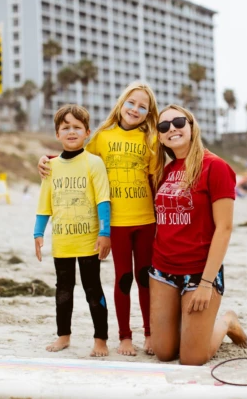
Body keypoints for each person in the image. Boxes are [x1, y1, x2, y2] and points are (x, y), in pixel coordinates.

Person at [38, 82, 159, 356]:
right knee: (123, 278)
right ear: (121, 103)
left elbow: (154, 180)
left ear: (149, 112)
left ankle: (150, 333)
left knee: (145, 278)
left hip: (146, 220)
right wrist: (46, 159)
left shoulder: (150, 138)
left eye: (143, 106)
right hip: (116, 223)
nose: (135, 109)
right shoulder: (102, 136)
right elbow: (74, 156)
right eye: (131, 102)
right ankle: (125, 337)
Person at [150, 104, 247, 365]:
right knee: (164, 352)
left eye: (179, 122)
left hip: (199, 271)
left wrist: (206, 283)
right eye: (163, 126)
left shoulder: (215, 167)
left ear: (192, 126)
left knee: (192, 358)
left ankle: (226, 321)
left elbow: (224, 228)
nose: (172, 129)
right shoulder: (165, 171)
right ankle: (191, 328)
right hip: (163, 268)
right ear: (159, 136)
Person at [34, 104, 112, 357]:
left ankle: (100, 339)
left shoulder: (94, 163)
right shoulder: (51, 166)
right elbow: (44, 202)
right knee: (63, 290)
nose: (71, 131)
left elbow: (103, 200)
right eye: (65, 127)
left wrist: (105, 233)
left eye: (77, 127)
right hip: (63, 242)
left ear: (87, 132)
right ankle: (63, 336)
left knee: (93, 290)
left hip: (89, 240)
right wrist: (38, 233)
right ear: (57, 134)